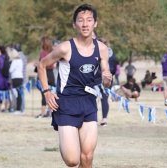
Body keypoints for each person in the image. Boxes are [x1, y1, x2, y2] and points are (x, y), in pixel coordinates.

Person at [37, 4, 112, 167]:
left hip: (89, 103)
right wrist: (47, 92)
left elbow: (106, 82)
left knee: (87, 157)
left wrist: (107, 79)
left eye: (89, 20)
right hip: (66, 104)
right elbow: (41, 65)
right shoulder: (64, 48)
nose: (85, 24)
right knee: (72, 161)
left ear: (95, 23)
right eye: (81, 20)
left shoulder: (102, 49)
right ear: (74, 24)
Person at [36, 36, 56, 118]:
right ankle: (51, 112)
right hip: (51, 74)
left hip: (45, 74)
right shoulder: (54, 52)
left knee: (44, 94)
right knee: (52, 93)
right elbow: (54, 65)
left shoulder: (43, 53)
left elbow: (41, 65)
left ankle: (43, 113)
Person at [7, 47, 24, 114]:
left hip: (15, 78)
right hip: (20, 77)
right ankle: (19, 108)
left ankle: (18, 109)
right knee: (19, 94)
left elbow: (10, 70)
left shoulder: (14, 61)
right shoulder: (20, 61)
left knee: (17, 94)